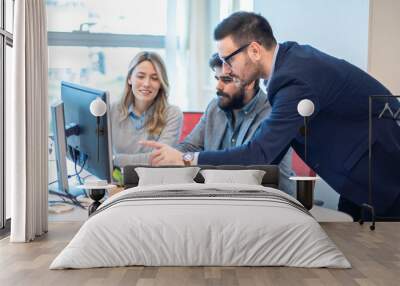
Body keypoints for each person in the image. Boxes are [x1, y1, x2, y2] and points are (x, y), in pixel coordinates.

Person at [142, 12, 400, 220]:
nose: (227, 70)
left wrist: (187, 159)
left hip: (385, 179)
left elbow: (259, 153)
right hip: (358, 178)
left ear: (254, 50)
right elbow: (266, 156)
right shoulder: (289, 64)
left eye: (228, 60)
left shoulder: (295, 80)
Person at [149, 53, 295, 195]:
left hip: (264, 199)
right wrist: (171, 157)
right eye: (217, 79)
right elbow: (190, 146)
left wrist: (186, 159)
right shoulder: (215, 106)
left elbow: (248, 165)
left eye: (226, 80)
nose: (218, 87)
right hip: (220, 197)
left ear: (249, 82)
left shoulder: (273, 113)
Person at [110, 51, 182, 167]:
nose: (147, 83)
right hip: (116, 182)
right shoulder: (111, 110)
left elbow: (160, 159)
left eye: (154, 78)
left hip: (154, 182)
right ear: (129, 79)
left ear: (161, 83)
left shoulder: (172, 114)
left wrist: (114, 160)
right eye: (140, 76)